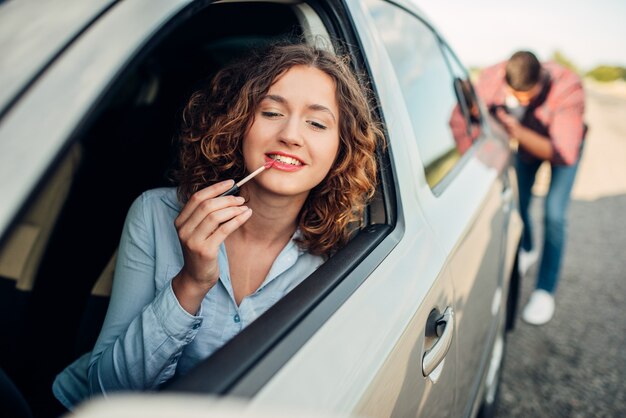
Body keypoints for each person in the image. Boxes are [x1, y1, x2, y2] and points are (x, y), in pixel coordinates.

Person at [52, 42, 383, 409]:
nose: (291, 135)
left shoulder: (341, 255)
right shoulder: (156, 213)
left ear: (341, 148)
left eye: (317, 123)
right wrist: (190, 284)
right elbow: (106, 393)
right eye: (271, 112)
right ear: (239, 123)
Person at [476, 50, 586, 325]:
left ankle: (544, 291)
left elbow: (564, 153)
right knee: (520, 199)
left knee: (554, 214)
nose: (518, 102)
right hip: (526, 148)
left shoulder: (568, 88)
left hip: (562, 145)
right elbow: (468, 112)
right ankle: (527, 248)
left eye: (527, 98)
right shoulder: (492, 76)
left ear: (542, 80)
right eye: (515, 96)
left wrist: (516, 130)